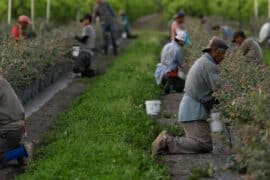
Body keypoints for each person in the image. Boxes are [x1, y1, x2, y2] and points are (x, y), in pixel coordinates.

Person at [152, 37, 228, 155]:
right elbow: (221, 90)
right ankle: (167, 141)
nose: (223, 57)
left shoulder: (203, 61)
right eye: (222, 53)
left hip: (191, 110)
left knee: (200, 142)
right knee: (203, 144)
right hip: (194, 112)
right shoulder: (209, 65)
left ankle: (168, 141)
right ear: (214, 51)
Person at [0, 76, 32, 167]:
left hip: (10, 131)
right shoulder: (2, 81)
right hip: (15, 128)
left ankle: (23, 151)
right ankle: (15, 148)